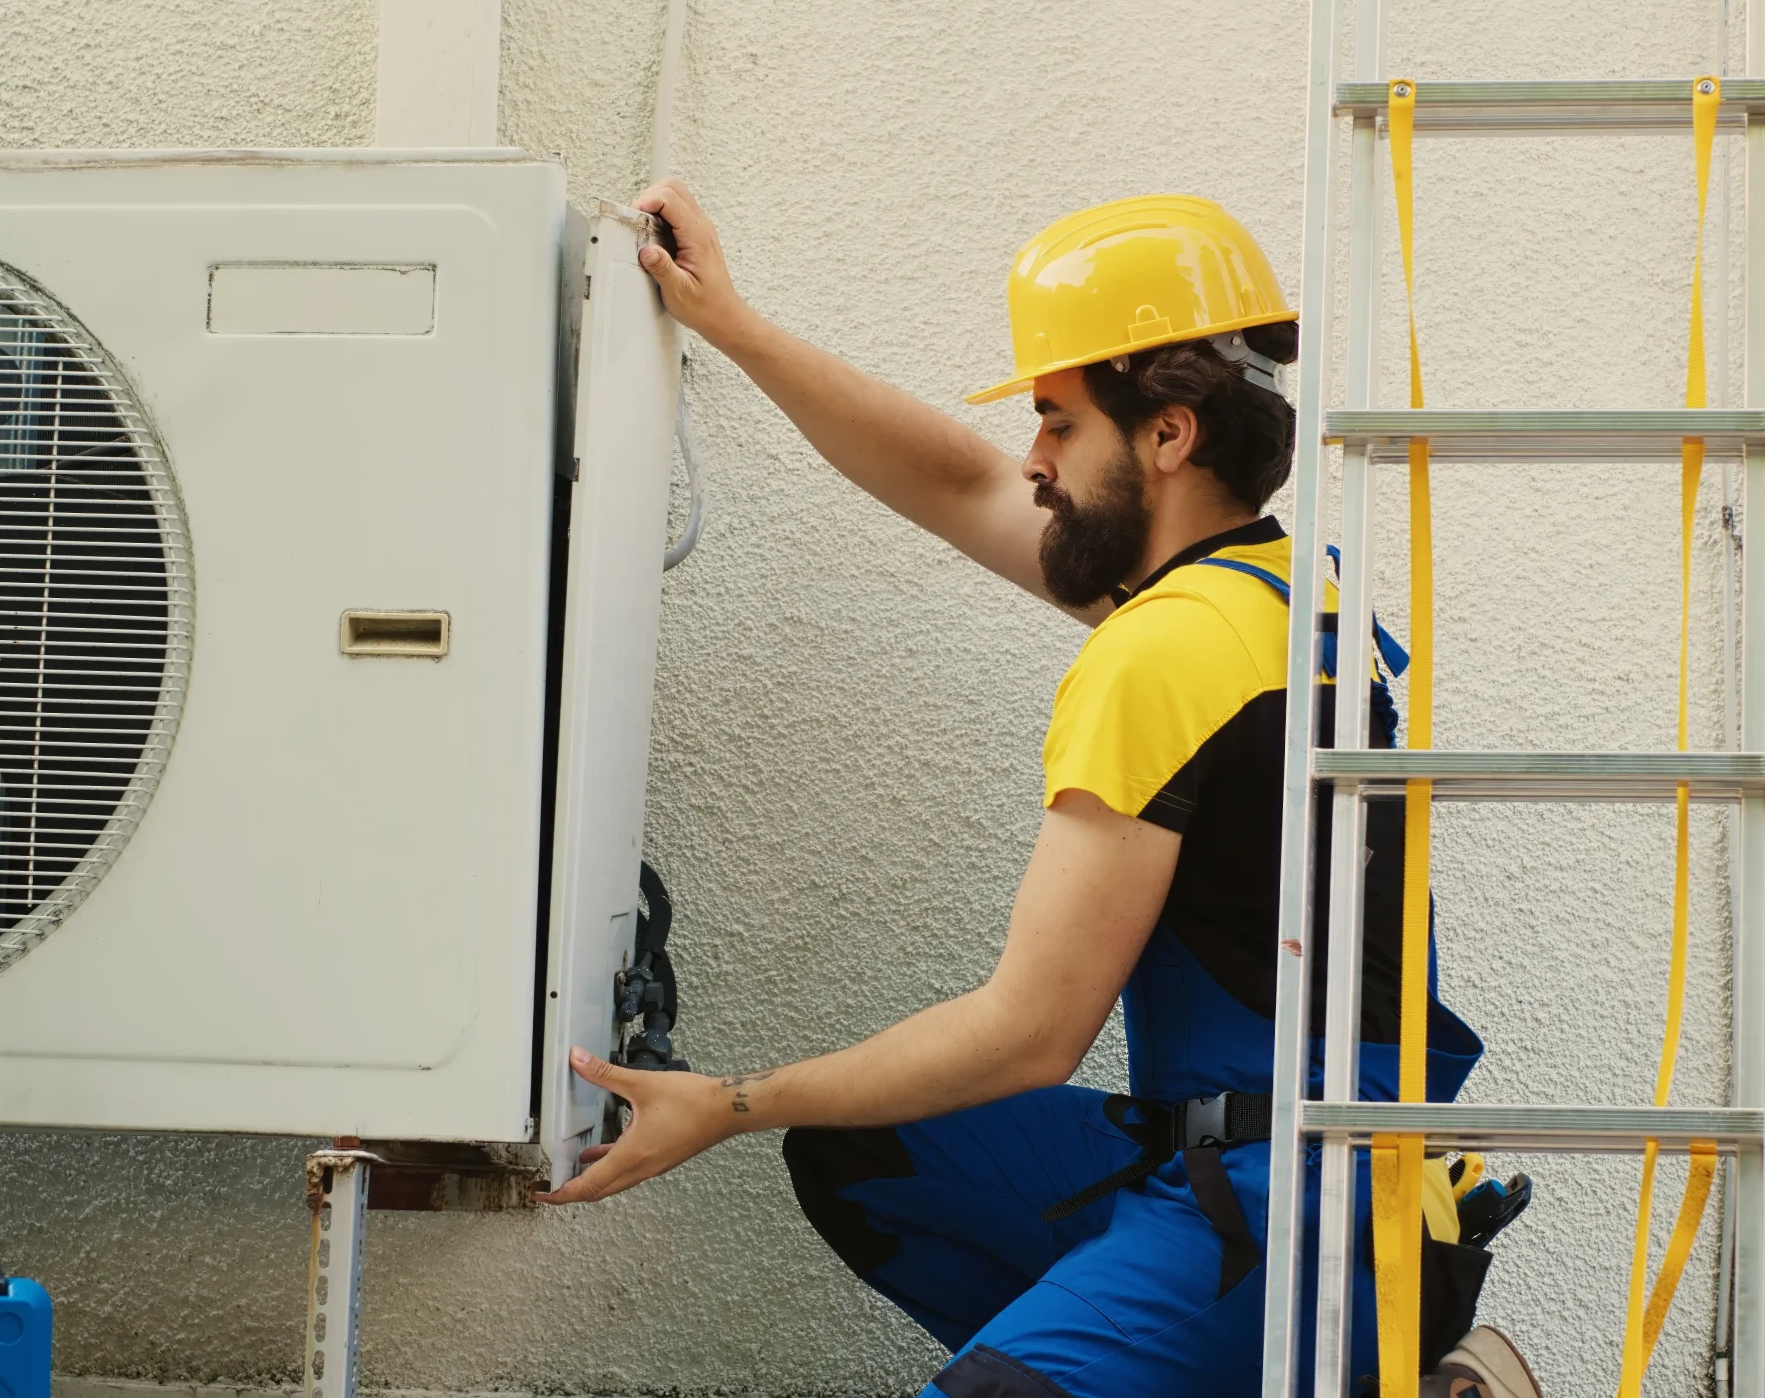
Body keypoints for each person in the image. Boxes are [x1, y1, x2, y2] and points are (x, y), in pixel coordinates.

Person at [538, 180, 1538, 1398]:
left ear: (1167, 435)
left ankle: (1300, 1361)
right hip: (1344, 1166)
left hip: (1290, 1210)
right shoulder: (1281, 593)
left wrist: (726, 1103)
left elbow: (1029, 1034)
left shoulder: (1160, 656)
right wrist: (736, 326)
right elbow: (961, 485)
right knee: (865, 1148)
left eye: (1059, 422)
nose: (1033, 458)